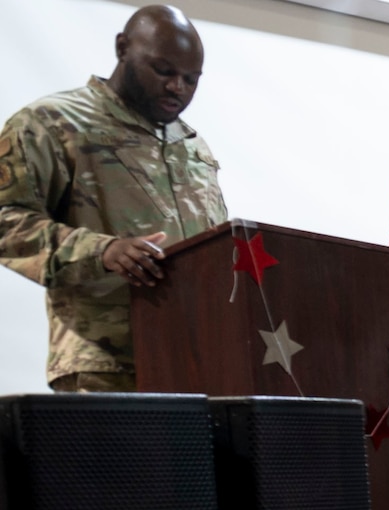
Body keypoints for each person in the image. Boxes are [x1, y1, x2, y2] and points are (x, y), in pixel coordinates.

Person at [0, 6, 228, 391]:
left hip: (194, 361)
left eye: (191, 79)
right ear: (123, 48)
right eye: (164, 71)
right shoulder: (51, 124)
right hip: (104, 368)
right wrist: (101, 251)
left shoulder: (192, 144)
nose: (178, 87)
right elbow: (6, 219)